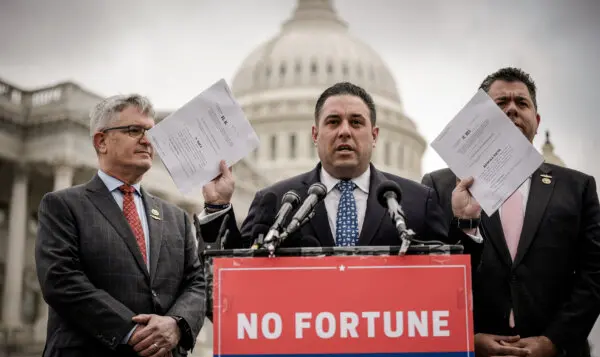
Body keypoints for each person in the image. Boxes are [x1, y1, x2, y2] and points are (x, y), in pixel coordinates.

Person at [422, 67, 600, 357]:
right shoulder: (440, 186)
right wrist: (468, 340)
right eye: (500, 102)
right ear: (479, 119)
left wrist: (550, 343)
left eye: (522, 102)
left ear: (537, 118)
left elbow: (594, 275)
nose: (512, 108)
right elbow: (428, 279)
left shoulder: (578, 187)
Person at [31, 94, 207, 357]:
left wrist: (176, 326)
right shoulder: (63, 205)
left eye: (151, 132)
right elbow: (61, 281)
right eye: (134, 131)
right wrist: (136, 333)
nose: (147, 141)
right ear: (101, 141)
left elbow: (197, 283)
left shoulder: (176, 217)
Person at [198, 81, 481, 251]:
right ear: (314, 134)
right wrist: (217, 207)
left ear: (374, 135)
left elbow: (452, 281)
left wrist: (466, 225)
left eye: (356, 122)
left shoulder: (417, 201)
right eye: (333, 122)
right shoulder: (275, 202)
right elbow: (234, 280)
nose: (344, 131)